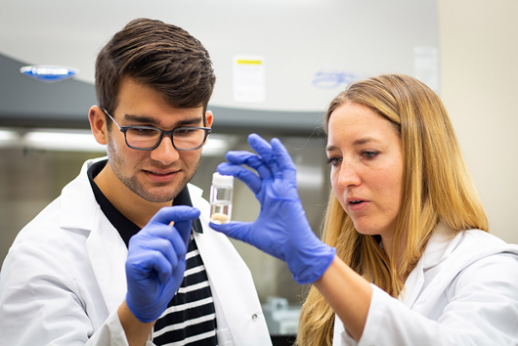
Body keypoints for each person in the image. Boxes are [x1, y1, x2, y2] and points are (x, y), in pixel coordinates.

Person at [0, 18, 271, 346]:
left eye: (185, 130)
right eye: (143, 130)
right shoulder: (41, 258)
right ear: (101, 125)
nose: (167, 156)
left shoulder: (205, 218)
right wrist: (134, 318)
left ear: (206, 124)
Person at [209, 74, 518, 346]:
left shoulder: (490, 268)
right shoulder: (353, 267)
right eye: (335, 159)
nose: (344, 179)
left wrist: (318, 264)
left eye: (368, 153)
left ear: (424, 159)